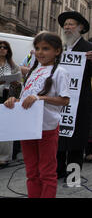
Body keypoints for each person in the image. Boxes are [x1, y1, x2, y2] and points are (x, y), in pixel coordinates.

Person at [4, 32, 70, 198]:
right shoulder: (34, 71)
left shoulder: (60, 72)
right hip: (27, 127)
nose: (40, 52)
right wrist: (14, 101)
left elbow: (64, 100)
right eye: (38, 48)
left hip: (47, 128)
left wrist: (41, 97)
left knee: (47, 172)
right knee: (32, 172)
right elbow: (26, 98)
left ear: (57, 51)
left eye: (46, 48)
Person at [56, 11, 92, 179]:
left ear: (80, 28)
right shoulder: (59, 47)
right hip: (60, 100)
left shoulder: (90, 48)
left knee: (76, 140)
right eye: (65, 24)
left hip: (80, 101)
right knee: (60, 136)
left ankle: (73, 176)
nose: (67, 27)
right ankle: (58, 171)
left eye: (71, 24)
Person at [0, 40, 22, 168]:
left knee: (5, 129)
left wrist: (13, 96)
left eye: (5, 47)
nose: (2, 49)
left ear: (8, 51)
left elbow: (18, 84)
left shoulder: (14, 67)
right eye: (0, 47)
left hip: (7, 98)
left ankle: (4, 157)